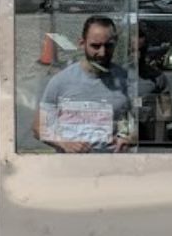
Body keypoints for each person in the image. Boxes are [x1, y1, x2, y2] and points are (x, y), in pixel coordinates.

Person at [34, 16, 139, 152]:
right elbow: (39, 127)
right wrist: (64, 143)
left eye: (108, 46)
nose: (102, 53)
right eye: (95, 46)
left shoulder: (126, 80)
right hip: (70, 163)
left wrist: (129, 136)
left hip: (110, 161)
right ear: (82, 43)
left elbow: (135, 121)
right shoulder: (61, 81)